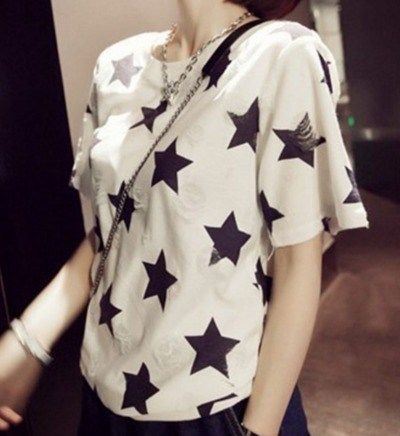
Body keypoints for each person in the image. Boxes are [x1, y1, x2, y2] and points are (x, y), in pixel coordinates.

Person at [0, 0, 370, 434]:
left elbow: (297, 262)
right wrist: (26, 342)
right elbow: (112, 237)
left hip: (216, 405)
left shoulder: (282, 54)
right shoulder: (116, 65)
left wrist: (260, 427)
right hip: (104, 393)